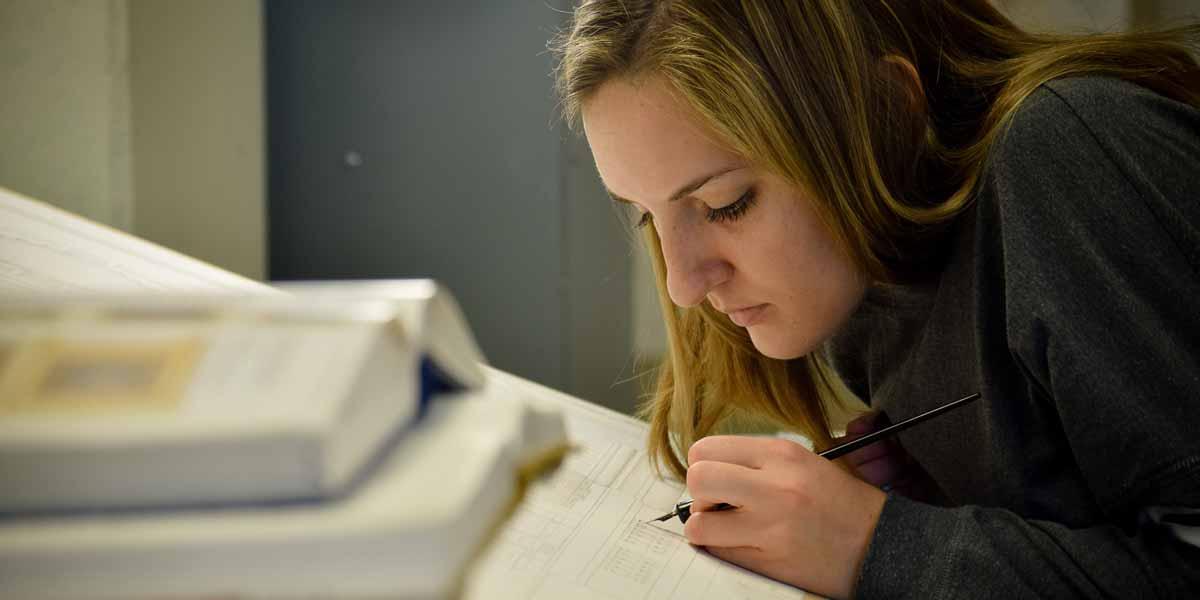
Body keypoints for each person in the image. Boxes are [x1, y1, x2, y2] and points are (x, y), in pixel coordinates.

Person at [552, 1, 1200, 598]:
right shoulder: (864, 286)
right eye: (644, 217)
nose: (683, 285)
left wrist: (876, 543)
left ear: (888, 113)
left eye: (727, 204)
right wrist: (942, 504)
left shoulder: (1068, 155)